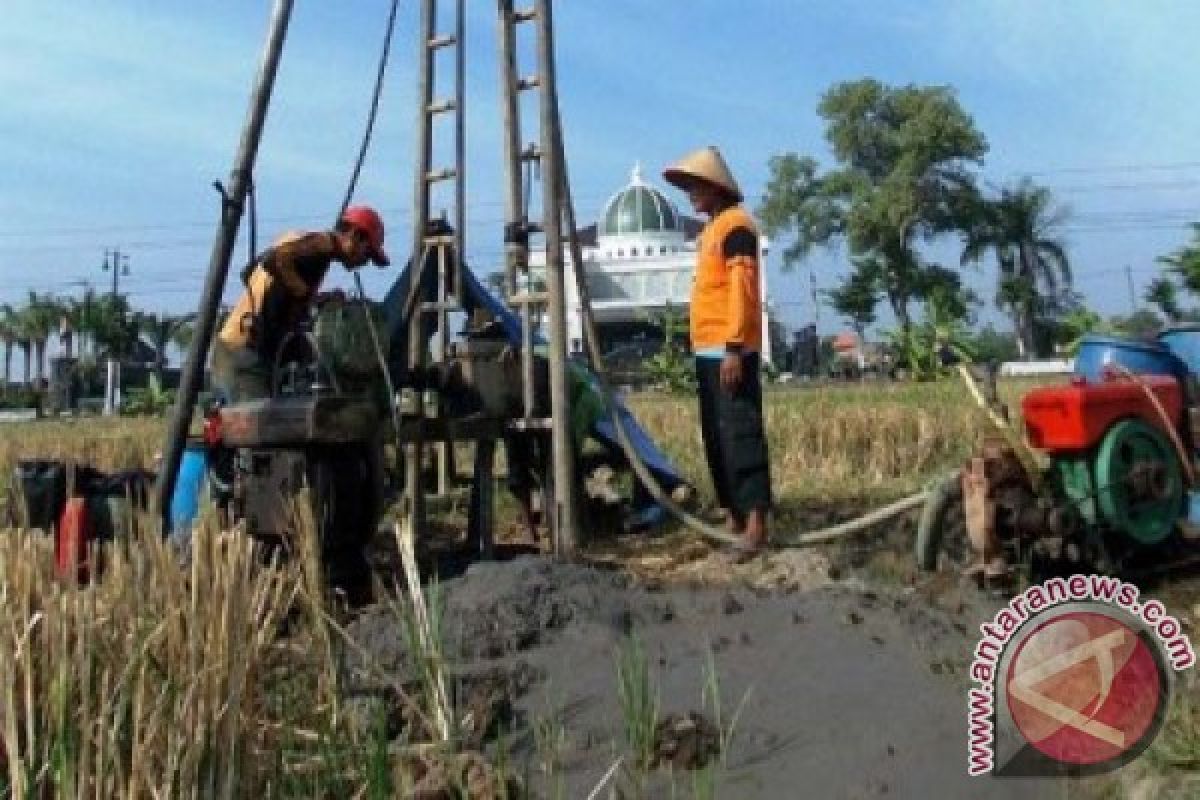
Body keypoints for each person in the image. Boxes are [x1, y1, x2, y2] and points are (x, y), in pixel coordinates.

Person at [663, 146, 772, 558]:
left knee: (741, 434)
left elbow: (742, 292)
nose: (690, 195)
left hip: (730, 351)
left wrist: (733, 348)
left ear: (715, 188)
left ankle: (756, 523)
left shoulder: (736, 227)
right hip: (707, 350)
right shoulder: (712, 230)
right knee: (716, 435)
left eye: (695, 187)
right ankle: (733, 514)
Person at [211, 205, 390, 403]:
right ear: (355, 235)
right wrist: (308, 297)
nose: (365, 262)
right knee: (255, 428)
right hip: (244, 352)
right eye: (368, 254)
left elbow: (249, 272)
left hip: (238, 346)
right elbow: (276, 259)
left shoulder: (300, 242)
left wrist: (309, 298)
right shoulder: (324, 245)